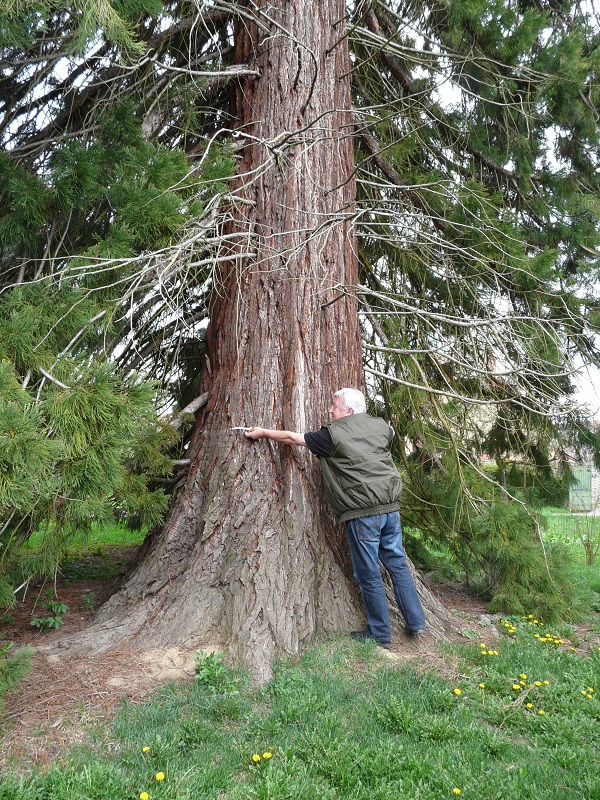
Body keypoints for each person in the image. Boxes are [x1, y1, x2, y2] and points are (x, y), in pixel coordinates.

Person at [244, 388, 426, 648]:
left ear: (349, 411)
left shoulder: (331, 436)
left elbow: (291, 438)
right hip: (390, 508)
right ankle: (416, 622)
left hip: (363, 514)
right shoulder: (381, 427)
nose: (330, 409)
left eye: (335, 406)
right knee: (397, 563)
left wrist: (262, 432)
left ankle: (380, 633)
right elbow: (392, 434)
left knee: (369, 573)